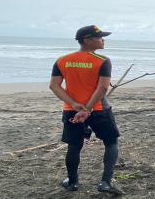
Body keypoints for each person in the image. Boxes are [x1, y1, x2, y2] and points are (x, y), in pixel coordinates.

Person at [49, 25, 123, 194]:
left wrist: (75, 105)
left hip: (72, 110)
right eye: (99, 37)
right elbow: (103, 88)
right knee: (111, 142)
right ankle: (106, 182)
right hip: (99, 109)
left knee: (74, 145)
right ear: (87, 40)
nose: (103, 39)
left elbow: (54, 86)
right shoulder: (102, 60)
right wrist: (87, 108)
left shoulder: (62, 60)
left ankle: (73, 182)